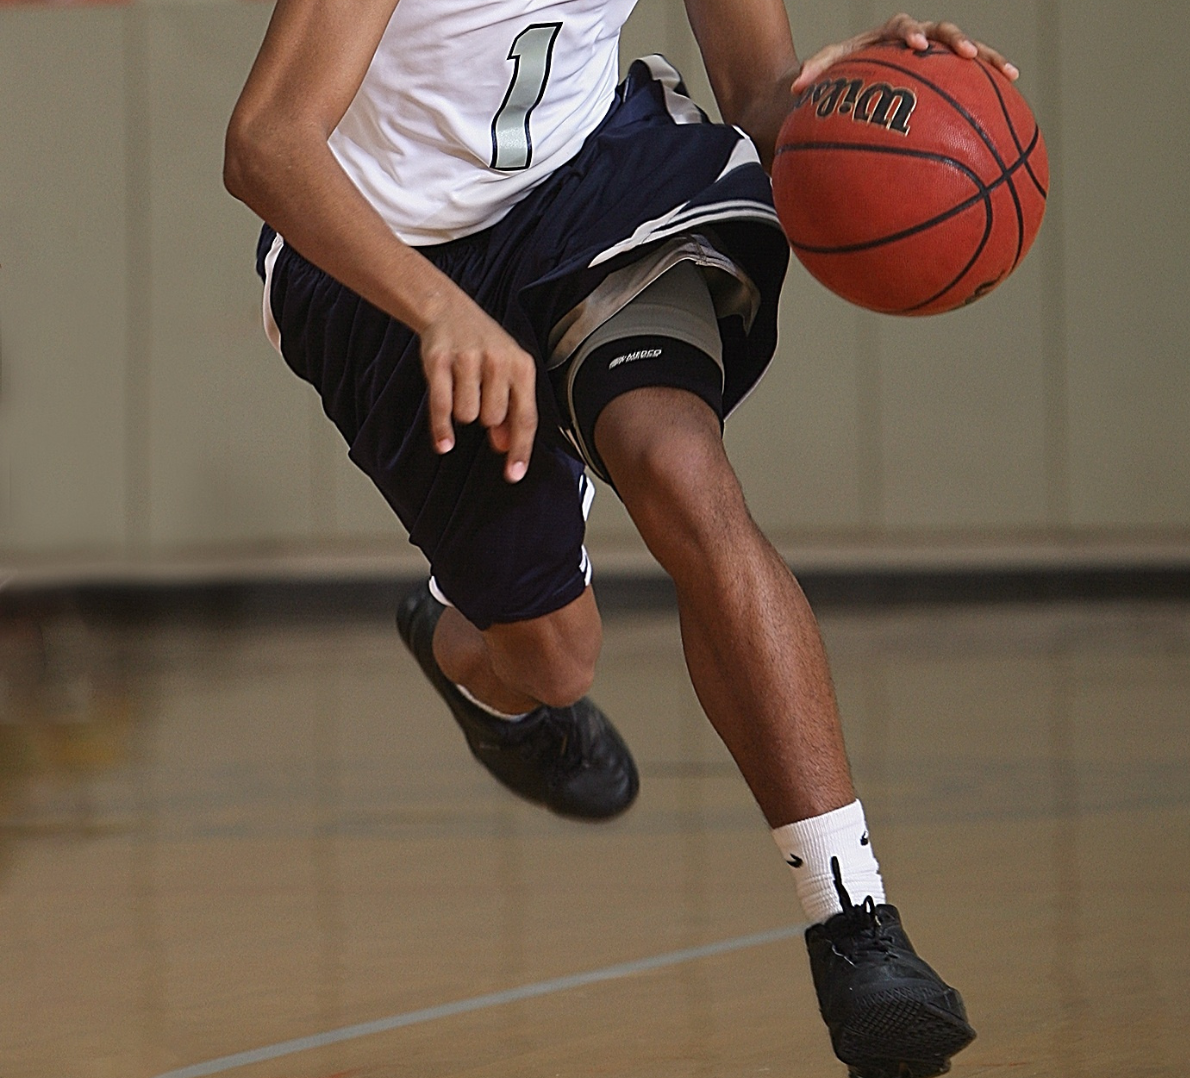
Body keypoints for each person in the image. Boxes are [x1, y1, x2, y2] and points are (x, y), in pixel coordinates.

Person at [225, 4, 1016, 1075]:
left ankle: (857, 928)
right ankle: (472, 662)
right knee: (555, 655)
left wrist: (866, 92)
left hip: (589, 180)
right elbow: (267, 143)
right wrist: (438, 311)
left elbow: (758, 93)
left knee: (682, 472)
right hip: (377, 252)